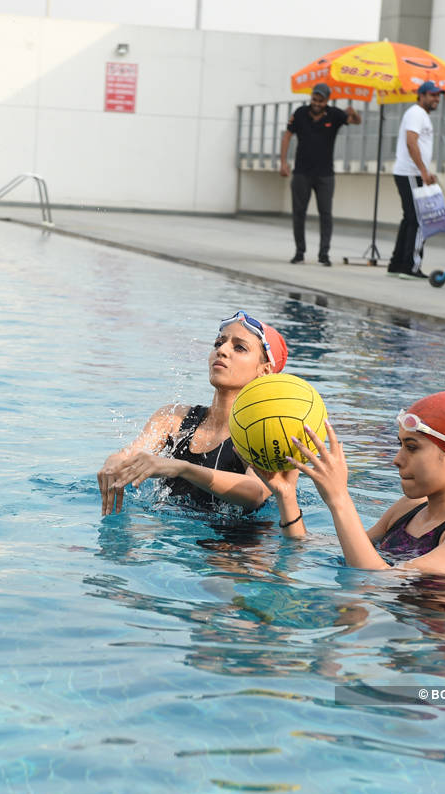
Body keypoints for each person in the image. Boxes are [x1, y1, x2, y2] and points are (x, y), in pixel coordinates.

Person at [257, 391, 445, 574]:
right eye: (401, 446)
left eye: (411, 447)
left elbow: (379, 581)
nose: (397, 460)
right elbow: (335, 548)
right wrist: (286, 495)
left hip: (432, 641)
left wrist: (338, 498)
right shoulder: (409, 508)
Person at [97, 310, 291, 517]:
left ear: (265, 371)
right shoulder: (173, 418)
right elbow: (131, 454)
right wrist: (115, 461)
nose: (223, 350)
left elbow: (257, 492)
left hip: (236, 543)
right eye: (218, 343)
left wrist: (183, 468)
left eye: (239, 347)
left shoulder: (264, 434)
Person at [279, 83, 361, 266]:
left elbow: (357, 121)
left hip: (325, 174)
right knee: (299, 213)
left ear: (327, 101)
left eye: (320, 100)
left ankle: (324, 254)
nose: (316, 103)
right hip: (301, 172)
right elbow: (287, 136)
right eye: (314, 99)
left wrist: (353, 112)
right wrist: (283, 162)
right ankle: (299, 252)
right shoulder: (300, 113)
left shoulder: (335, 115)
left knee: (326, 214)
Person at [388, 81, 443, 279]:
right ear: (421, 95)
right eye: (432, 95)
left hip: (411, 172)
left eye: (438, 95)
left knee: (410, 218)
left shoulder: (420, 115)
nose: (436, 99)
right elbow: (411, 142)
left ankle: (396, 264)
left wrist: (425, 171)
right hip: (410, 172)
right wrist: (423, 172)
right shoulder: (416, 113)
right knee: (419, 220)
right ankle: (410, 267)